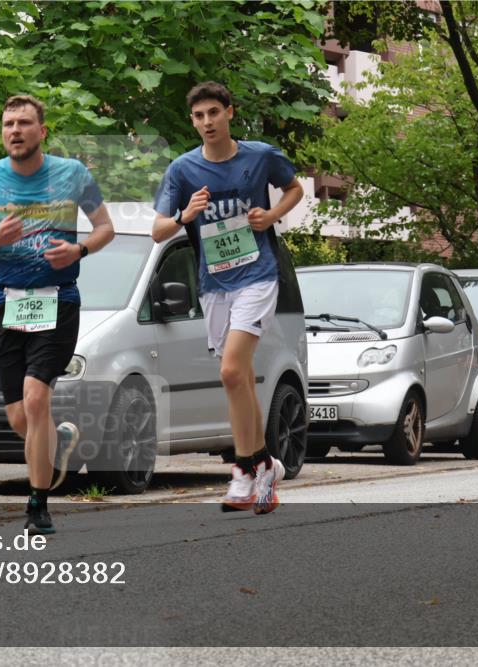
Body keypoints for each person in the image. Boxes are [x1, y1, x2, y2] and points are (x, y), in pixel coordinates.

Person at [152, 81, 303, 514]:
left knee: (233, 370)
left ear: (229, 113)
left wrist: (271, 215)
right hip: (213, 283)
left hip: (258, 274)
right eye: (199, 117)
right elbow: (158, 230)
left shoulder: (259, 156)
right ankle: (264, 466)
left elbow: (294, 188)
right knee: (236, 379)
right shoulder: (182, 170)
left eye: (213, 113)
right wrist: (186, 215)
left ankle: (242, 468)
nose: (206, 123)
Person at [0, 95, 114, 534]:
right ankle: (57, 440)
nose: (15, 130)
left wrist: (80, 248)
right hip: (7, 302)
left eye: (24, 123)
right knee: (19, 417)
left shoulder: (72, 174)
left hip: (58, 299)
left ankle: (37, 507)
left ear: (42, 131)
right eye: (8, 123)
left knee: (36, 397)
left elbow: (104, 226)